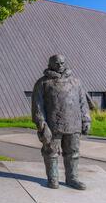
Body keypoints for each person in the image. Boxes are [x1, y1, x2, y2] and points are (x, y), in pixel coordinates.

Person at [32, 54, 91, 190]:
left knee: (73, 152)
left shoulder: (75, 82)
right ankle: (53, 178)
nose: (60, 65)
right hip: (53, 125)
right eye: (57, 63)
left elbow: (83, 102)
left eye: (62, 63)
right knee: (51, 152)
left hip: (73, 124)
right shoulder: (43, 83)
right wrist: (42, 124)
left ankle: (72, 178)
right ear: (50, 64)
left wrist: (86, 119)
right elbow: (38, 106)